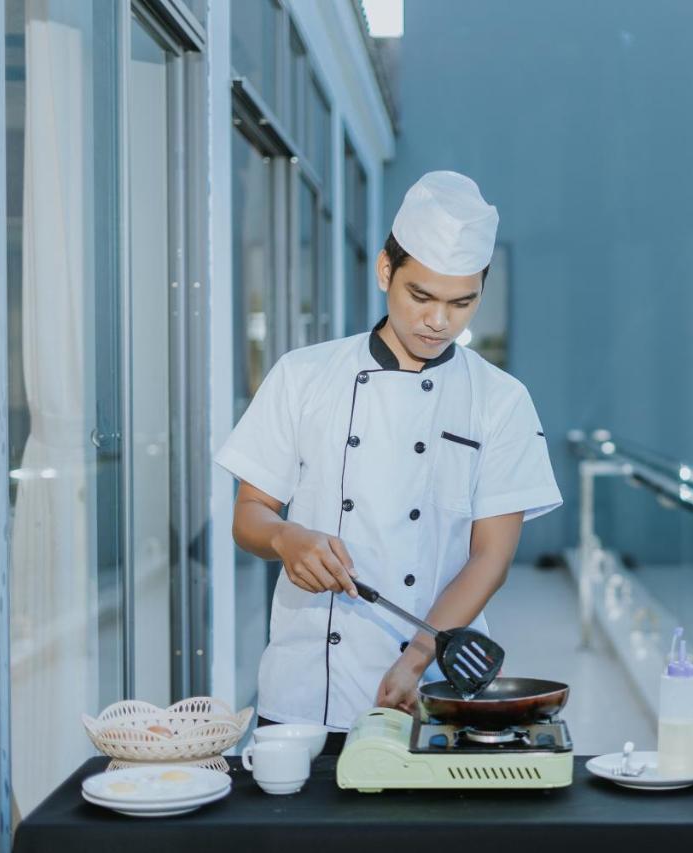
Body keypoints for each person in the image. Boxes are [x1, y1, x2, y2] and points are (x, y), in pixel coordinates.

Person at [215, 171, 562, 751]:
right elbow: (248, 514)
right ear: (385, 271)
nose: (439, 321)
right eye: (420, 296)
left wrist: (416, 658)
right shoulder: (303, 376)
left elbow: (490, 559)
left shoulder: (501, 400)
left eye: (462, 302)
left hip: (437, 685)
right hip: (306, 692)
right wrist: (285, 539)